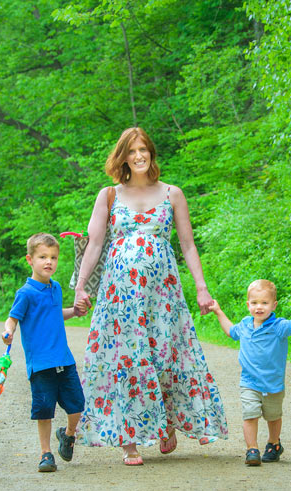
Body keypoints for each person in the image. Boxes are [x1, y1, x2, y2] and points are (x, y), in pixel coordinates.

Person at [73, 127, 228, 465]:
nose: (139, 156)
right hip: (120, 296)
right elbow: (95, 243)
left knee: (165, 353)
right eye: (132, 151)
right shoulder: (109, 195)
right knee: (128, 359)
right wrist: (81, 285)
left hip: (163, 294)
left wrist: (201, 288)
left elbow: (187, 244)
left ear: (151, 153)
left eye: (143, 149)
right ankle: (129, 440)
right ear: (123, 157)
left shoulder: (172, 194)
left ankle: (165, 421)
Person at [2, 233, 85, 473]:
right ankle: (46, 453)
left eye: (53, 257)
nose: (49, 262)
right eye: (42, 257)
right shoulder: (25, 293)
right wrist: (7, 333)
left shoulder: (56, 288)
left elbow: (55, 314)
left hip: (64, 359)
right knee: (44, 410)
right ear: (30, 259)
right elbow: (12, 320)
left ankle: (68, 435)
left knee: (77, 405)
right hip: (40, 365)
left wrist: (75, 312)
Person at [210, 280, 291, 466]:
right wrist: (218, 311)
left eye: (264, 303)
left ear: (273, 305)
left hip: (273, 384)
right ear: (248, 304)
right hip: (249, 382)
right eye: (255, 302)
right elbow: (231, 331)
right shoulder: (245, 325)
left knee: (273, 416)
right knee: (250, 414)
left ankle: (274, 444)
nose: (259, 307)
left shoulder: (279, 326)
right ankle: (252, 449)